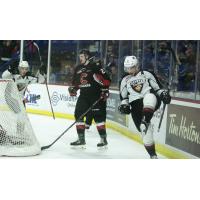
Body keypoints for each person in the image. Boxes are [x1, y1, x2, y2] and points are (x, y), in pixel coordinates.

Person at [118, 56, 171, 159]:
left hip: (150, 100)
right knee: (145, 135)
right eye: (127, 68)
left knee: (149, 96)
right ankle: (153, 156)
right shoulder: (124, 80)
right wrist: (124, 105)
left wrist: (163, 94)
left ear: (137, 66)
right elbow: (124, 97)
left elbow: (157, 89)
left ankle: (146, 120)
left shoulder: (147, 74)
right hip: (135, 106)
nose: (129, 70)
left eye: (131, 67)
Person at [68, 49, 111, 148]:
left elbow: (107, 79)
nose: (80, 59)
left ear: (87, 56)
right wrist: (73, 88)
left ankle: (103, 139)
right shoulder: (78, 68)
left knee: (98, 117)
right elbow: (75, 83)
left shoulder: (95, 66)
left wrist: (104, 89)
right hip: (83, 96)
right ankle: (81, 139)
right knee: (78, 114)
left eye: (82, 57)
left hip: (96, 95)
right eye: (80, 57)